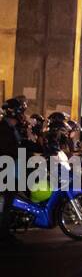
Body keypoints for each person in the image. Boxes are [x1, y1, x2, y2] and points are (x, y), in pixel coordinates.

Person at [1, 98, 23, 244]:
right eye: (20, 111)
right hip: (4, 169)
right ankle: (3, 234)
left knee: (10, 199)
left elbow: (22, 143)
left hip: (13, 168)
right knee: (6, 201)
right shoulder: (3, 128)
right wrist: (24, 152)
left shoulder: (13, 128)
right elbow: (5, 148)